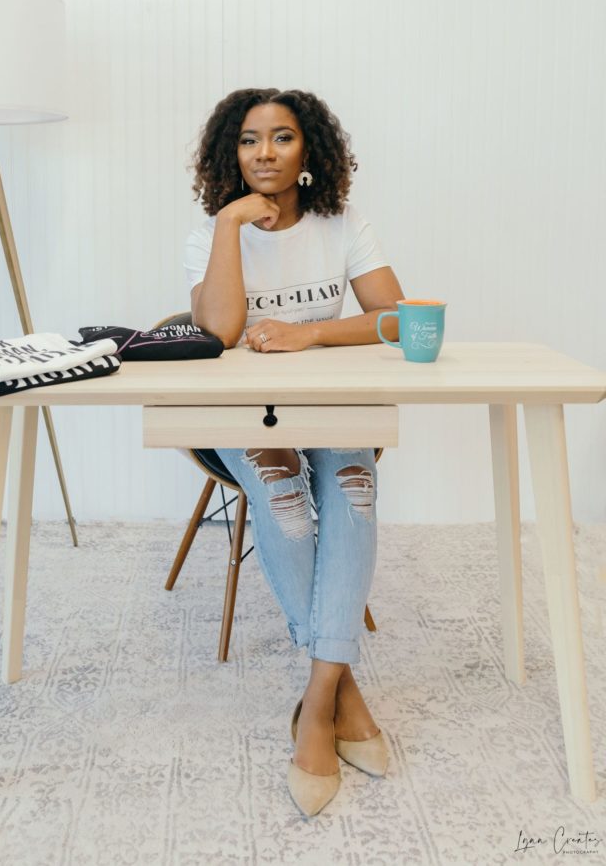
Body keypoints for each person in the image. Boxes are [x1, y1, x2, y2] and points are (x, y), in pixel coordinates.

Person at [183, 88, 405, 817]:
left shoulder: (343, 223)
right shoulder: (215, 227)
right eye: (250, 141)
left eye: (282, 138)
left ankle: (316, 699)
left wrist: (309, 333)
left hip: (327, 402)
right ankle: (340, 688)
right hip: (238, 413)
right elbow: (216, 332)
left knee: (353, 487)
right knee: (285, 502)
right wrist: (227, 228)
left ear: (308, 149)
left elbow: (395, 318)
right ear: (232, 151)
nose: (265, 154)